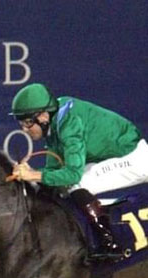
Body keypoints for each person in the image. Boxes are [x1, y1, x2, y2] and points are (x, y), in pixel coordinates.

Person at [9, 83, 147, 260]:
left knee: (76, 184)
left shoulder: (69, 124)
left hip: (134, 159)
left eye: (28, 123)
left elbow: (72, 175)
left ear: (42, 116)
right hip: (120, 154)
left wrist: (33, 175)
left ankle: (110, 244)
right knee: (59, 185)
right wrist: (34, 174)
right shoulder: (55, 119)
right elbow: (53, 171)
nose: (24, 129)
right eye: (21, 123)